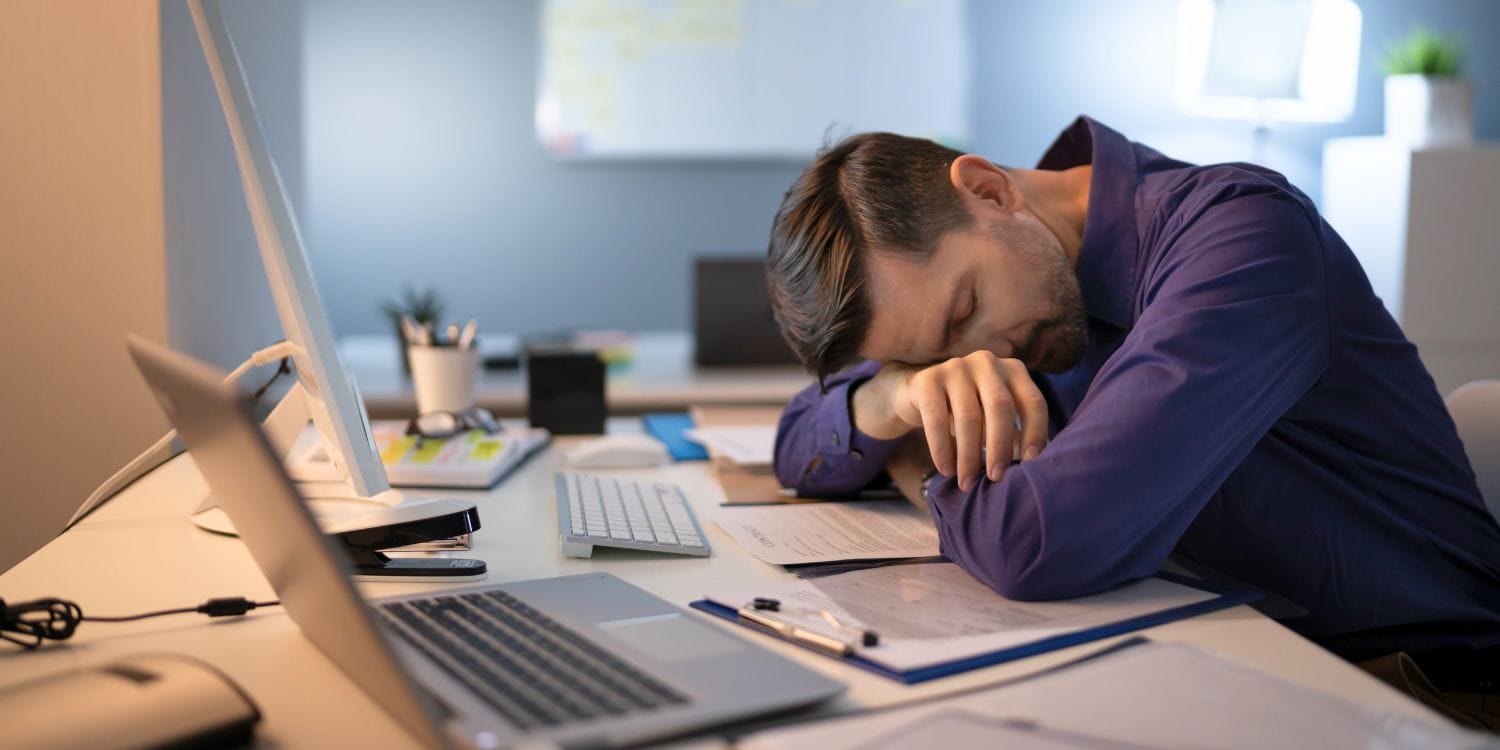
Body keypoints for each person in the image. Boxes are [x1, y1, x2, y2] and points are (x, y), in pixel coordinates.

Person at [764, 116, 1500, 726]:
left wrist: (920, 458)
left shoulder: (1243, 238)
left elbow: (1043, 542)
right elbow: (800, 444)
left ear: (989, 190)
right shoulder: (987, 286)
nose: (975, 361)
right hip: (1215, 650)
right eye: (929, 359)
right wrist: (894, 398)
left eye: (964, 311)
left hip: (1416, 691)